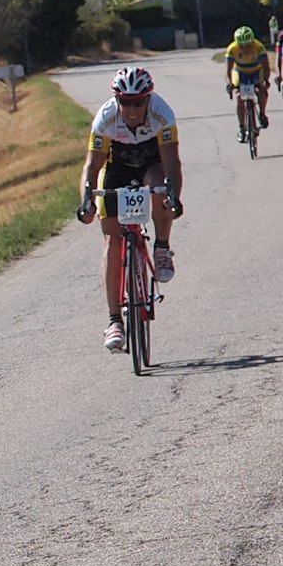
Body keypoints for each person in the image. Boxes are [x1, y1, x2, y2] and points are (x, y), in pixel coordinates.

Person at [79, 65, 184, 354]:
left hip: (152, 164)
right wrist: (86, 200)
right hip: (118, 170)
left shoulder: (162, 114)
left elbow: (172, 163)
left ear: (148, 99)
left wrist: (174, 197)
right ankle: (114, 321)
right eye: (126, 103)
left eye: (138, 103)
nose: (133, 110)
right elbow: (92, 166)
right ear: (117, 100)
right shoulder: (106, 117)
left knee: (160, 189)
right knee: (113, 241)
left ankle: (161, 247)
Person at [225, 26, 271, 139]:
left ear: (252, 42)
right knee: (239, 97)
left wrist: (266, 81)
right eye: (242, 46)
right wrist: (230, 84)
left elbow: (266, 66)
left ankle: (262, 114)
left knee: (261, 90)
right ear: (237, 43)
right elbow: (228, 70)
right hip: (240, 72)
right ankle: (242, 128)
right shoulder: (232, 49)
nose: (245, 48)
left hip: (256, 70)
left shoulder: (259, 47)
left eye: (248, 45)